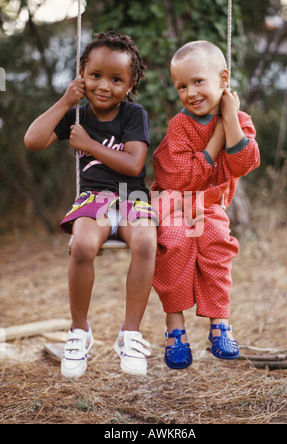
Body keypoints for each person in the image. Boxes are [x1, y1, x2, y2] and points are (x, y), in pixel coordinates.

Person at [24, 31, 158, 378]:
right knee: (82, 245)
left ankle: (130, 334)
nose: (104, 86)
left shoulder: (133, 114)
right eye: (96, 75)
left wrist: (89, 145)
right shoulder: (76, 115)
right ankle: (78, 332)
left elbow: (133, 165)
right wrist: (65, 103)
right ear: (82, 74)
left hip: (132, 196)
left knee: (146, 242)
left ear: (129, 85)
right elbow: (33, 140)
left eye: (116, 79)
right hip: (94, 198)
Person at [151, 40, 260, 369]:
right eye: (181, 86)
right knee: (174, 245)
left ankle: (219, 324)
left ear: (223, 80)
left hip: (209, 205)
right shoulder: (180, 126)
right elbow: (184, 177)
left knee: (217, 247)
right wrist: (216, 139)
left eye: (198, 81)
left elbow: (244, 162)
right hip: (173, 201)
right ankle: (175, 331)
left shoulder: (239, 119)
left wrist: (229, 118)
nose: (190, 92)